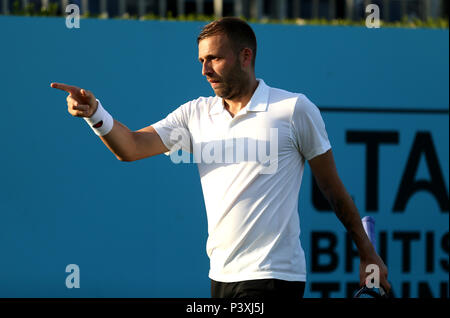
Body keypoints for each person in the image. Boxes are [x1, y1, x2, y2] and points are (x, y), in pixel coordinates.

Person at [51, 17, 390, 299]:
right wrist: (96, 114)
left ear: (246, 56)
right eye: (201, 61)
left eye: (213, 58)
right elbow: (132, 147)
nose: (204, 70)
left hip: (273, 277)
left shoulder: (293, 110)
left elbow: (332, 189)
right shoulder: (194, 114)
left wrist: (367, 254)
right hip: (221, 275)